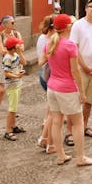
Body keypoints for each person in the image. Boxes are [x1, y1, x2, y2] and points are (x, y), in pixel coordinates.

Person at [39, 14, 92, 166]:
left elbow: (44, 62)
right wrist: (82, 92)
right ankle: (81, 157)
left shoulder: (50, 43)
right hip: (67, 88)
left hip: (52, 87)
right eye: (70, 24)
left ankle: (61, 156)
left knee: (56, 122)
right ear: (67, 27)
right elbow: (75, 71)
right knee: (78, 123)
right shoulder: (70, 45)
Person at [65, 0, 92, 145]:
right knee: (75, 102)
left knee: (89, 101)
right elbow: (74, 49)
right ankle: (69, 132)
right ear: (85, 8)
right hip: (81, 69)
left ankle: (84, 127)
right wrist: (85, 67)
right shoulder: (78, 25)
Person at [0, 15, 23, 119]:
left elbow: (22, 48)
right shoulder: (0, 36)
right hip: (4, 64)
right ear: (5, 24)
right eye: (12, 23)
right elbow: (1, 51)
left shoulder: (16, 34)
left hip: (15, 64)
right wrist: (15, 49)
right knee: (1, 90)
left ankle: (12, 111)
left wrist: (10, 49)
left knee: (14, 88)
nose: (14, 24)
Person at [35, 15, 56, 153]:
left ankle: (44, 125)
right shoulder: (51, 39)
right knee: (55, 110)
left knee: (51, 104)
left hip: (43, 74)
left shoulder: (42, 37)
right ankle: (47, 141)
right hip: (49, 74)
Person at [1, 36, 27, 141]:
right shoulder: (7, 58)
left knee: (14, 107)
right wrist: (17, 76)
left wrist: (20, 52)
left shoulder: (15, 54)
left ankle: (13, 126)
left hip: (17, 84)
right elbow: (6, 73)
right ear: (13, 47)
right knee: (12, 109)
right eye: (18, 45)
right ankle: (8, 130)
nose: (20, 46)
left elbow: (24, 63)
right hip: (12, 85)